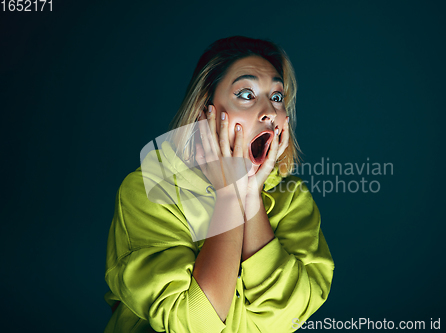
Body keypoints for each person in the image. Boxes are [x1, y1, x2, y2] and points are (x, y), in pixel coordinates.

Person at [103, 35, 334, 333]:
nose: (269, 112)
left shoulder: (294, 199)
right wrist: (229, 197)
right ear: (206, 110)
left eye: (276, 97)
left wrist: (250, 197)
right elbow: (193, 323)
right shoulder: (148, 187)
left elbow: (284, 317)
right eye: (247, 94)